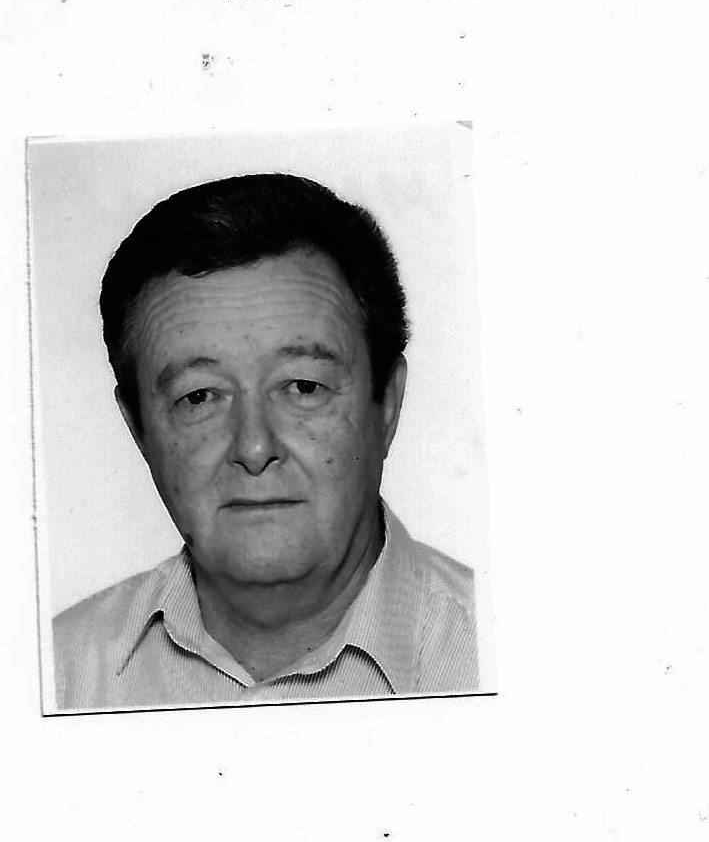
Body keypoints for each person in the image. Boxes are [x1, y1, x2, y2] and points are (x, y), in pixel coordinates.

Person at [53, 172, 479, 709]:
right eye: (199, 396)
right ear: (138, 427)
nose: (254, 449)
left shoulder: (514, 655)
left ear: (388, 403)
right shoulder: (59, 673)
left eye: (304, 387)